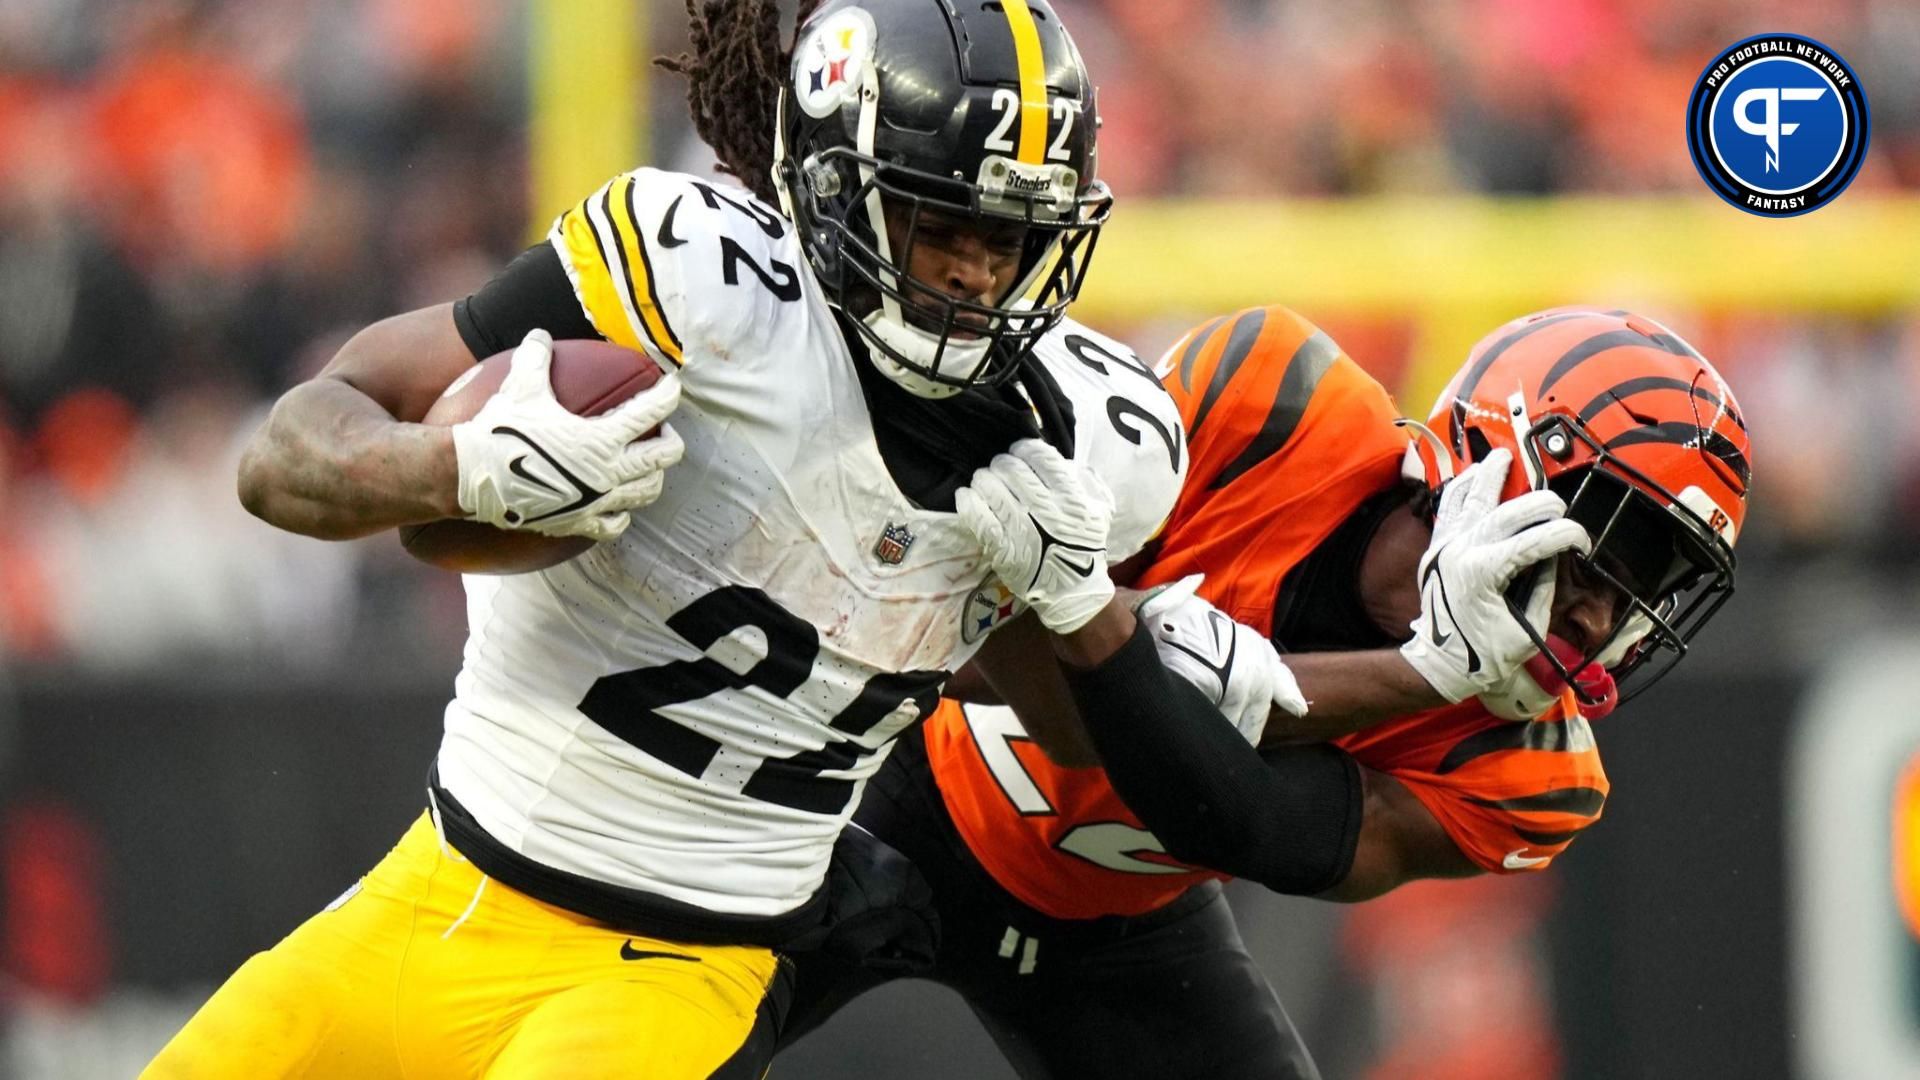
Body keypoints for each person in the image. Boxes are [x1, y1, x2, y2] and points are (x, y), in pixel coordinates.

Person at [139, 1, 1228, 1075]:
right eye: (940, 227)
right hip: (436, 892)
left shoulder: (1080, 434)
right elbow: (284, 454)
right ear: (833, 190)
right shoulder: (698, 284)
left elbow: (1076, 731)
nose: (976, 276)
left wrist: (1083, 603)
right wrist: (458, 467)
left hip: (681, 963)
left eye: (1013, 238)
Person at [776, 304, 1752, 1079]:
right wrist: (1410, 676)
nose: (1600, 616)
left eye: (1645, 587)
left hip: (1122, 930)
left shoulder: (1538, 774)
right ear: (1498, 461)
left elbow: (1235, 823)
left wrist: (1422, 677)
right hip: (899, 797)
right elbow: (981, 648)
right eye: (1606, 552)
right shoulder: (1279, 407)